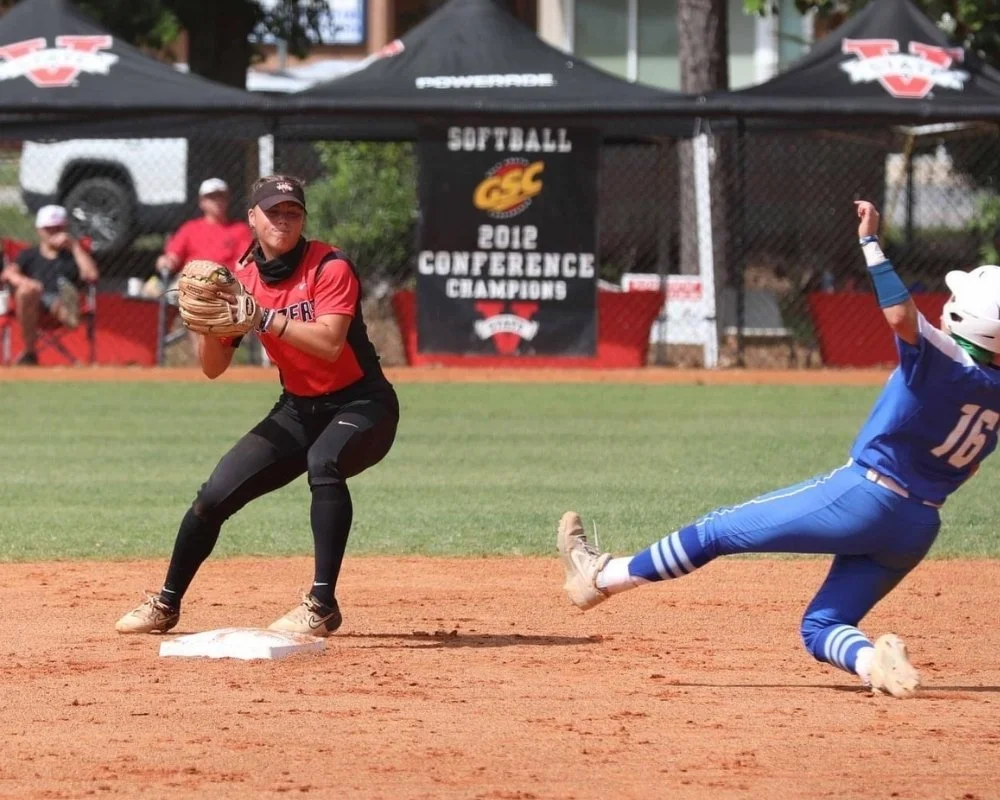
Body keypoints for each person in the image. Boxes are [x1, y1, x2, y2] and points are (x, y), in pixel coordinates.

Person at [558, 199, 1000, 699]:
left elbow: (900, 314)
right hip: (919, 526)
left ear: (966, 318)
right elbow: (967, 469)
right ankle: (869, 660)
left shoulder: (945, 361)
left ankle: (600, 578)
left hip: (866, 497)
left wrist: (871, 244)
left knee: (715, 530)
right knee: (821, 624)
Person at [116, 175, 399, 637]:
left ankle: (321, 604)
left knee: (324, 462)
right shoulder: (242, 279)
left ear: (303, 219)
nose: (283, 220)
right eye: (273, 211)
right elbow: (213, 368)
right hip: (298, 407)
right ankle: (166, 603)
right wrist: (205, 326)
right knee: (213, 497)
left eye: (293, 212)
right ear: (252, 218)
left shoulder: (329, 266)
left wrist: (264, 316)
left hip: (363, 403)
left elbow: (329, 344)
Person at [0, 205, 99, 365]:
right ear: (40, 231)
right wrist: (26, 282)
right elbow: (8, 274)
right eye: (49, 229)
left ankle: (69, 311)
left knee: (63, 297)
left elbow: (92, 275)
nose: (54, 233)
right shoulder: (29, 255)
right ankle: (30, 351)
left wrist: (74, 246)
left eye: (58, 228)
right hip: (34, 306)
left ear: (65, 229)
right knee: (26, 291)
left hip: (58, 301)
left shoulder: (74, 255)